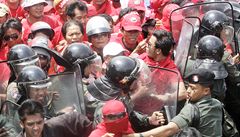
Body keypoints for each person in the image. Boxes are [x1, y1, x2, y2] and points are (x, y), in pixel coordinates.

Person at [125, 68, 223, 137]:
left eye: (193, 88)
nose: (188, 90)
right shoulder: (217, 104)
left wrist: (138, 135)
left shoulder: (192, 109)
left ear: (206, 91)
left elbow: (170, 129)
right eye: (188, 86)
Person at [87, 56, 165, 132]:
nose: (140, 80)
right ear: (126, 83)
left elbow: (128, 112)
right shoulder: (108, 109)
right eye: (137, 77)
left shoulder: (119, 92)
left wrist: (148, 120)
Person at [17, 99, 93, 137]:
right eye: (30, 124)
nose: (36, 128)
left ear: (44, 120)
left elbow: (77, 119)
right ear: (22, 124)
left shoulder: (54, 126)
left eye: (39, 122)